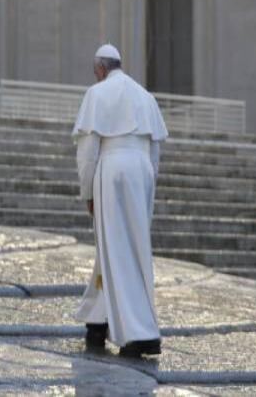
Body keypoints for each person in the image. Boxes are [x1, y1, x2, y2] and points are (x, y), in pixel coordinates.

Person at [72, 43, 168, 357]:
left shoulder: (96, 94)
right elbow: (155, 152)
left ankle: (140, 333)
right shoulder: (145, 96)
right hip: (142, 171)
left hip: (111, 169)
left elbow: (88, 153)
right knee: (128, 249)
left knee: (114, 246)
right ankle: (97, 320)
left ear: (100, 69)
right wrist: (148, 190)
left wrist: (87, 192)